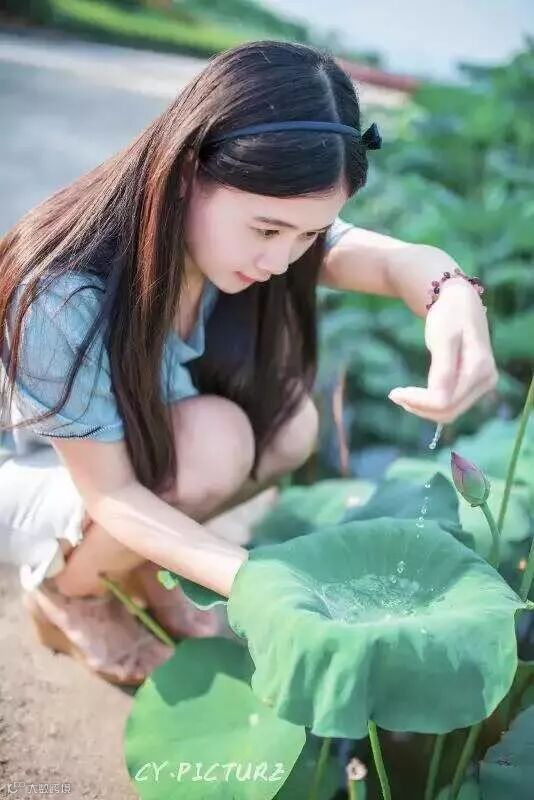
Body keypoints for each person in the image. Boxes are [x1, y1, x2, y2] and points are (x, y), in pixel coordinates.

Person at [0, 40, 498, 686]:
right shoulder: (63, 291)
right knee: (216, 443)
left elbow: (397, 263)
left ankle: (141, 565)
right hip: (32, 471)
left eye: (309, 235)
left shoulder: (253, 231)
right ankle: (71, 593)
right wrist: (266, 586)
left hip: (134, 452)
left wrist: (453, 296)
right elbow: (112, 493)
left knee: (289, 423)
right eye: (267, 230)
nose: (282, 261)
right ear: (187, 172)